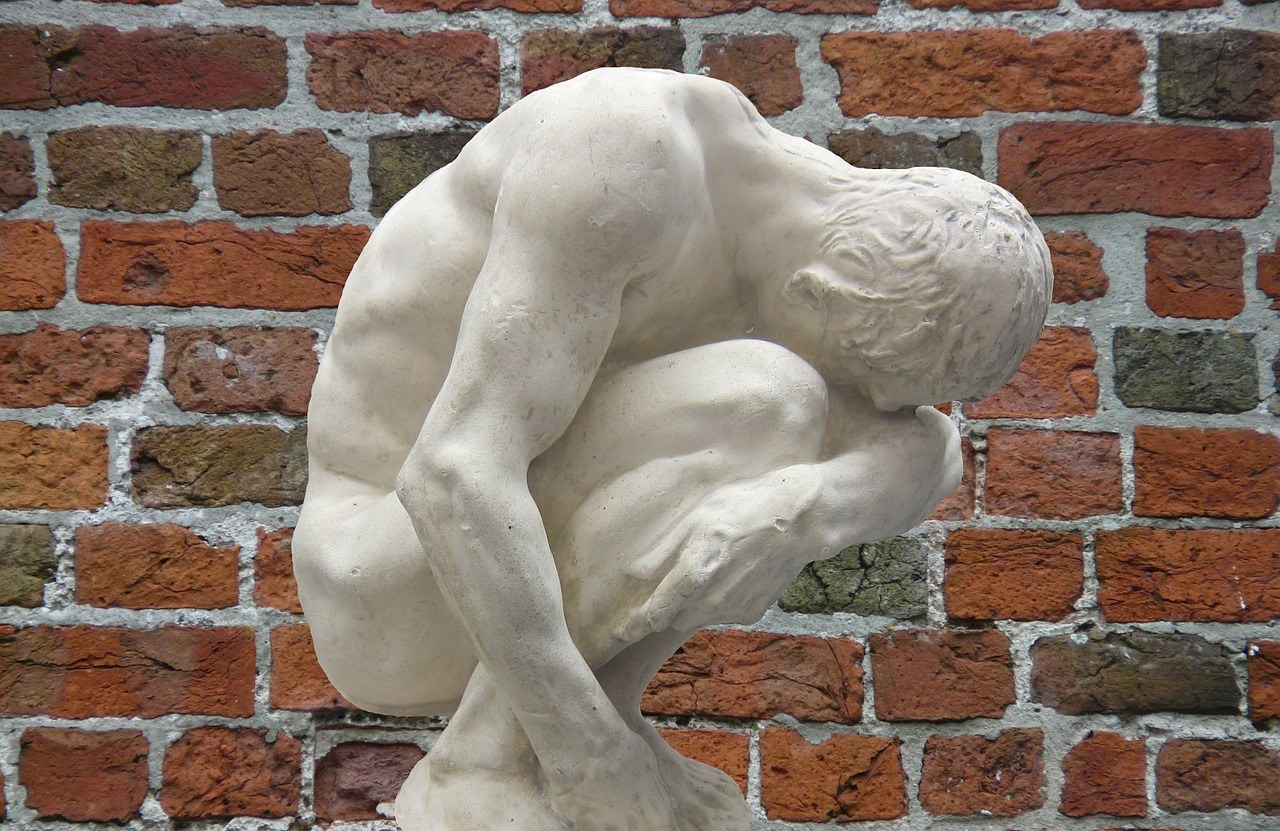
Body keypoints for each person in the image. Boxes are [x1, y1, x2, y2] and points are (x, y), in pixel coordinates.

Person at [293, 67, 1052, 831]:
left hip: (493, 579)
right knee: (770, 399)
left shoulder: (789, 229)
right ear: (815, 293)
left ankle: (580, 728)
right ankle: (487, 762)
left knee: (777, 428)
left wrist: (792, 509)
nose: (875, 415)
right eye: (873, 386)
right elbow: (451, 474)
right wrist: (591, 760)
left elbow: (930, 450)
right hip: (381, 578)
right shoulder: (618, 161)